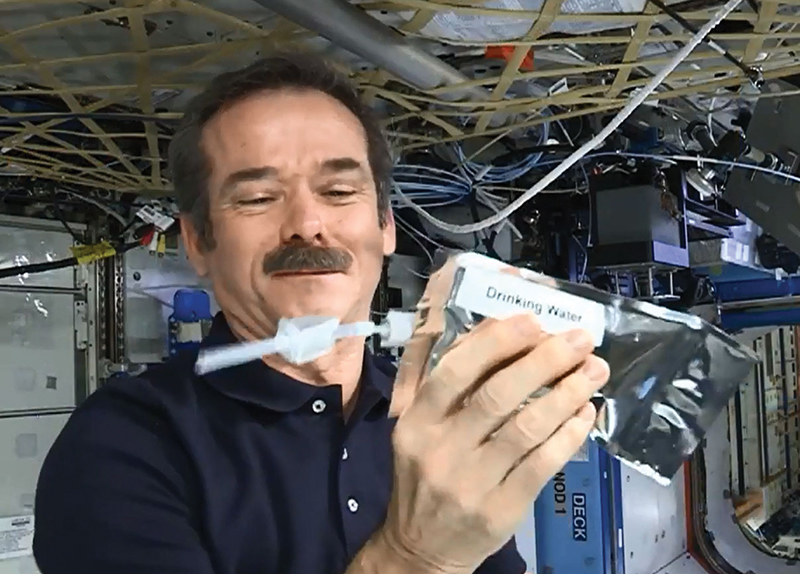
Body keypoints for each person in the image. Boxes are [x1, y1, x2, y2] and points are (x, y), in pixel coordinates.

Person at [32, 53, 610, 574]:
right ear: (198, 244)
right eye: (257, 197)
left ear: (385, 228)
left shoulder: (437, 419)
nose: (307, 223)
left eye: (338, 191)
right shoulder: (121, 447)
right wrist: (413, 558)